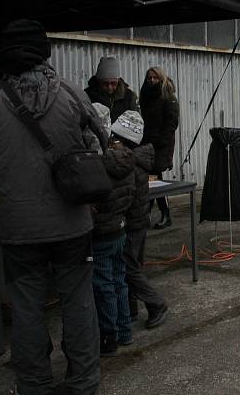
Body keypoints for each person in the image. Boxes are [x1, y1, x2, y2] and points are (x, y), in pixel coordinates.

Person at [0, 19, 104, 394]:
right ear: (44, 52)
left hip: (18, 228)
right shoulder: (72, 94)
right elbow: (100, 146)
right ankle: (83, 382)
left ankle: (34, 385)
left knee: (27, 307)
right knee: (78, 302)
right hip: (72, 223)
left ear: (3, 55)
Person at [91, 108, 137, 357]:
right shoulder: (127, 158)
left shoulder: (99, 161)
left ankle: (109, 335)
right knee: (119, 280)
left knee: (103, 284)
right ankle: (125, 330)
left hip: (101, 232)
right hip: (119, 228)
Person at [119, 109, 169, 329]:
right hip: (137, 221)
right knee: (131, 264)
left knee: (127, 267)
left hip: (132, 222)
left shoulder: (129, 164)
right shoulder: (138, 160)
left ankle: (156, 303)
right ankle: (130, 310)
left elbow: (125, 196)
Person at [138, 67, 179, 229]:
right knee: (152, 179)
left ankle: (161, 213)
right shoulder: (146, 96)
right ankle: (158, 213)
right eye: (149, 78)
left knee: (154, 177)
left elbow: (171, 124)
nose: (152, 81)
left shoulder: (168, 98)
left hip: (161, 146)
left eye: (155, 78)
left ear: (161, 79)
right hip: (147, 144)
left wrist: (161, 143)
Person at [85, 56, 137, 123]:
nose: (109, 87)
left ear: (118, 80)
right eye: (105, 83)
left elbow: (134, 121)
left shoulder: (128, 96)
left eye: (113, 83)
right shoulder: (88, 95)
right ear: (98, 81)